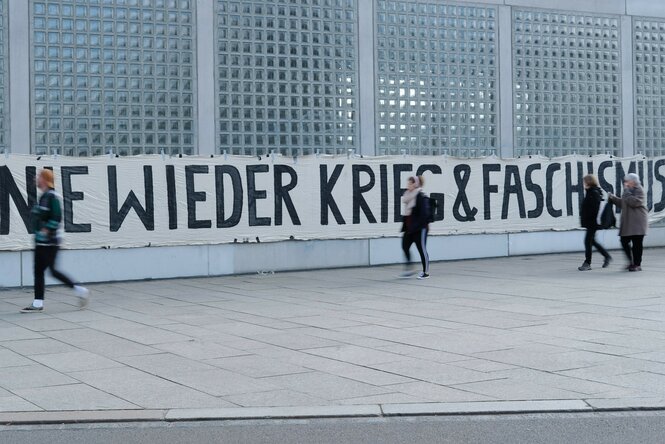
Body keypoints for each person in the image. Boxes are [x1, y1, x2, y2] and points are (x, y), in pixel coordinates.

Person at [21, 169, 90, 313]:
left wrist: (46, 230)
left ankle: (80, 290)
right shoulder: (45, 196)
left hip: (49, 241)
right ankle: (38, 302)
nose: (36, 179)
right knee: (40, 271)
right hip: (42, 241)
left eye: (39, 177)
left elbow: (56, 217)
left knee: (50, 271)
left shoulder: (52, 196)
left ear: (45, 180)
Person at [608, 173, 648, 272]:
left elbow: (634, 202)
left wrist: (626, 191)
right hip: (629, 223)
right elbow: (624, 203)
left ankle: (637, 264)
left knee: (637, 244)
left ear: (633, 181)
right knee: (624, 241)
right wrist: (613, 199)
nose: (625, 183)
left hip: (638, 223)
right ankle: (631, 262)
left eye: (627, 181)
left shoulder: (639, 190)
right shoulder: (629, 191)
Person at [578, 174, 612, 271]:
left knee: (587, 241)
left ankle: (587, 263)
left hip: (593, 222)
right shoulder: (591, 192)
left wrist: (588, 218)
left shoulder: (593, 192)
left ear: (589, 182)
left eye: (585, 182)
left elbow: (594, 208)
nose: (583, 184)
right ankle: (606, 256)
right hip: (591, 222)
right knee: (592, 241)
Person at [400, 175, 430, 279]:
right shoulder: (408, 195)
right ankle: (410, 269)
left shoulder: (421, 196)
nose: (408, 185)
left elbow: (424, 214)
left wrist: (417, 226)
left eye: (410, 183)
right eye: (407, 183)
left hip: (420, 228)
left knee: (422, 249)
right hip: (410, 228)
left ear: (415, 184)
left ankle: (425, 272)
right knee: (405, 246)